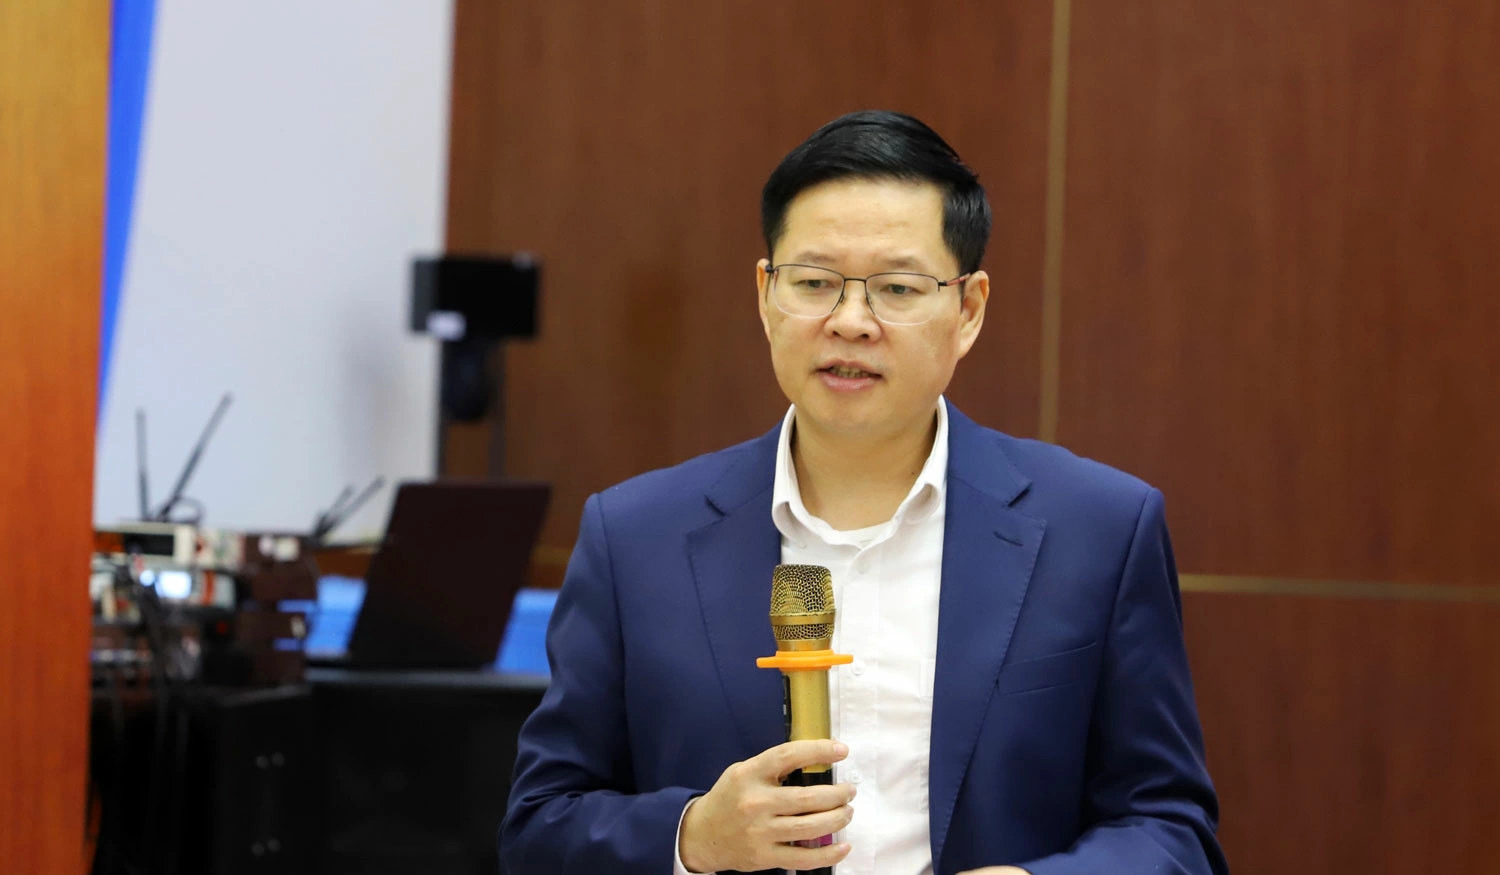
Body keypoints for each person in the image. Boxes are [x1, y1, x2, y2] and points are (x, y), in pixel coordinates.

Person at [499, 110, 1227, 875]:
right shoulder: (634, 536)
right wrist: (691, 837)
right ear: (765, 294)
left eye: (897, 288)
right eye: (814, 283)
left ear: (969, 309)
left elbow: (1170, 828)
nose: (850, 322)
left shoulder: (1098, 529)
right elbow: (539, 826)